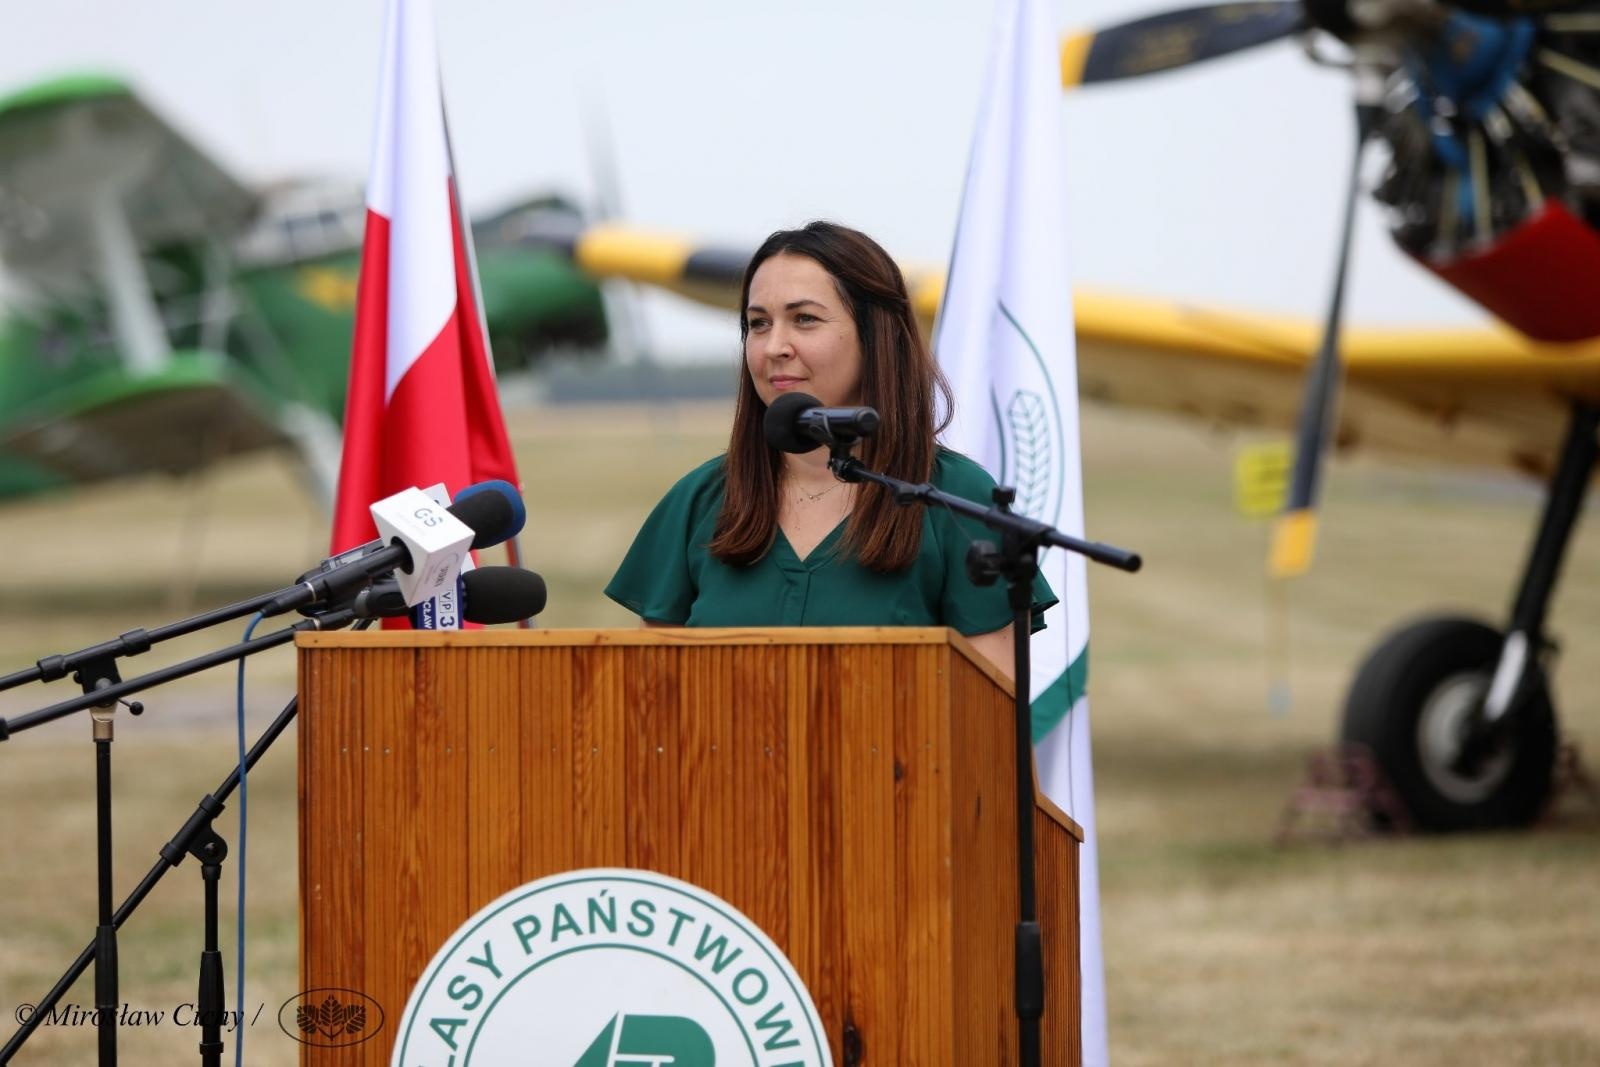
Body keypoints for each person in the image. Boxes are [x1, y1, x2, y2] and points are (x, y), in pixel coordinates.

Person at [605, 221, 1055, 678]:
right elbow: (654, 711)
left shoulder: (956, 497)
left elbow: (991, 723)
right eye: (758, 324)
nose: (775, 346)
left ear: (875, 335)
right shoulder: (699, 500)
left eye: (805, 319)